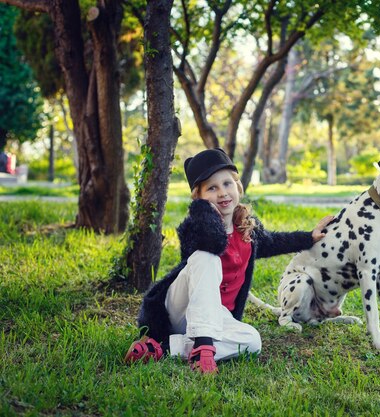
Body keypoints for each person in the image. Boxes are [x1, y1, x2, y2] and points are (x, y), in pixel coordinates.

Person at [125, 148, 332, 374]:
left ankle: (165, 348)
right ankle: (203, 345)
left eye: (227, 184)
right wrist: (204, 210)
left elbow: (274, 241)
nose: (222, 193)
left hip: (217, 317)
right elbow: (211, 244)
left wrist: (309, 237)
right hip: (180, 309)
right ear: (198, 197)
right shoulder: (195, 226)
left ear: (238, 187)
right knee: (207, 257)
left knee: (252, 341)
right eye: (212, 188)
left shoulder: (246, 227)